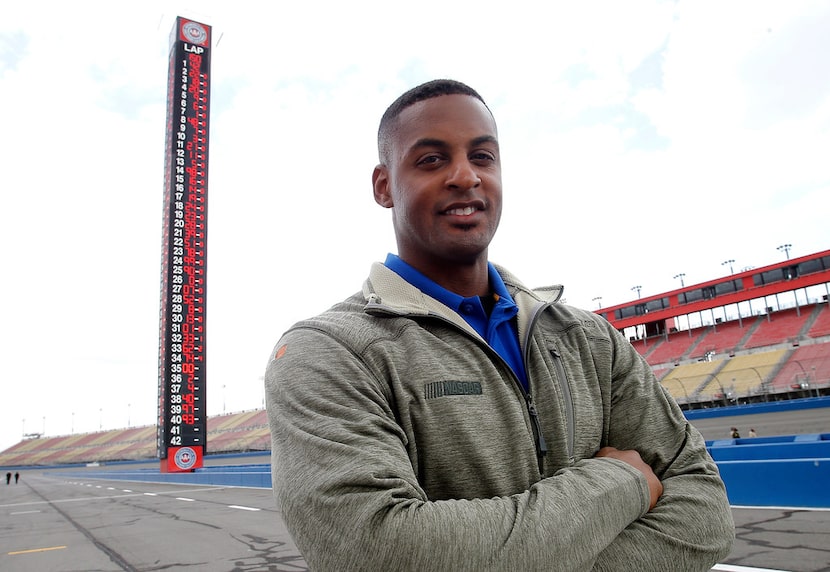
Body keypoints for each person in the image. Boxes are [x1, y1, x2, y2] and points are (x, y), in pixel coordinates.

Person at [265, 79, 734, 571]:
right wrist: (623, 480)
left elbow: (705, 511)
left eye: (483, 156)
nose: (465, 176)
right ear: (384, 186)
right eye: (432, 159)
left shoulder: (590, 339)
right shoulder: (327, 351)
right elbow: (376, 551)